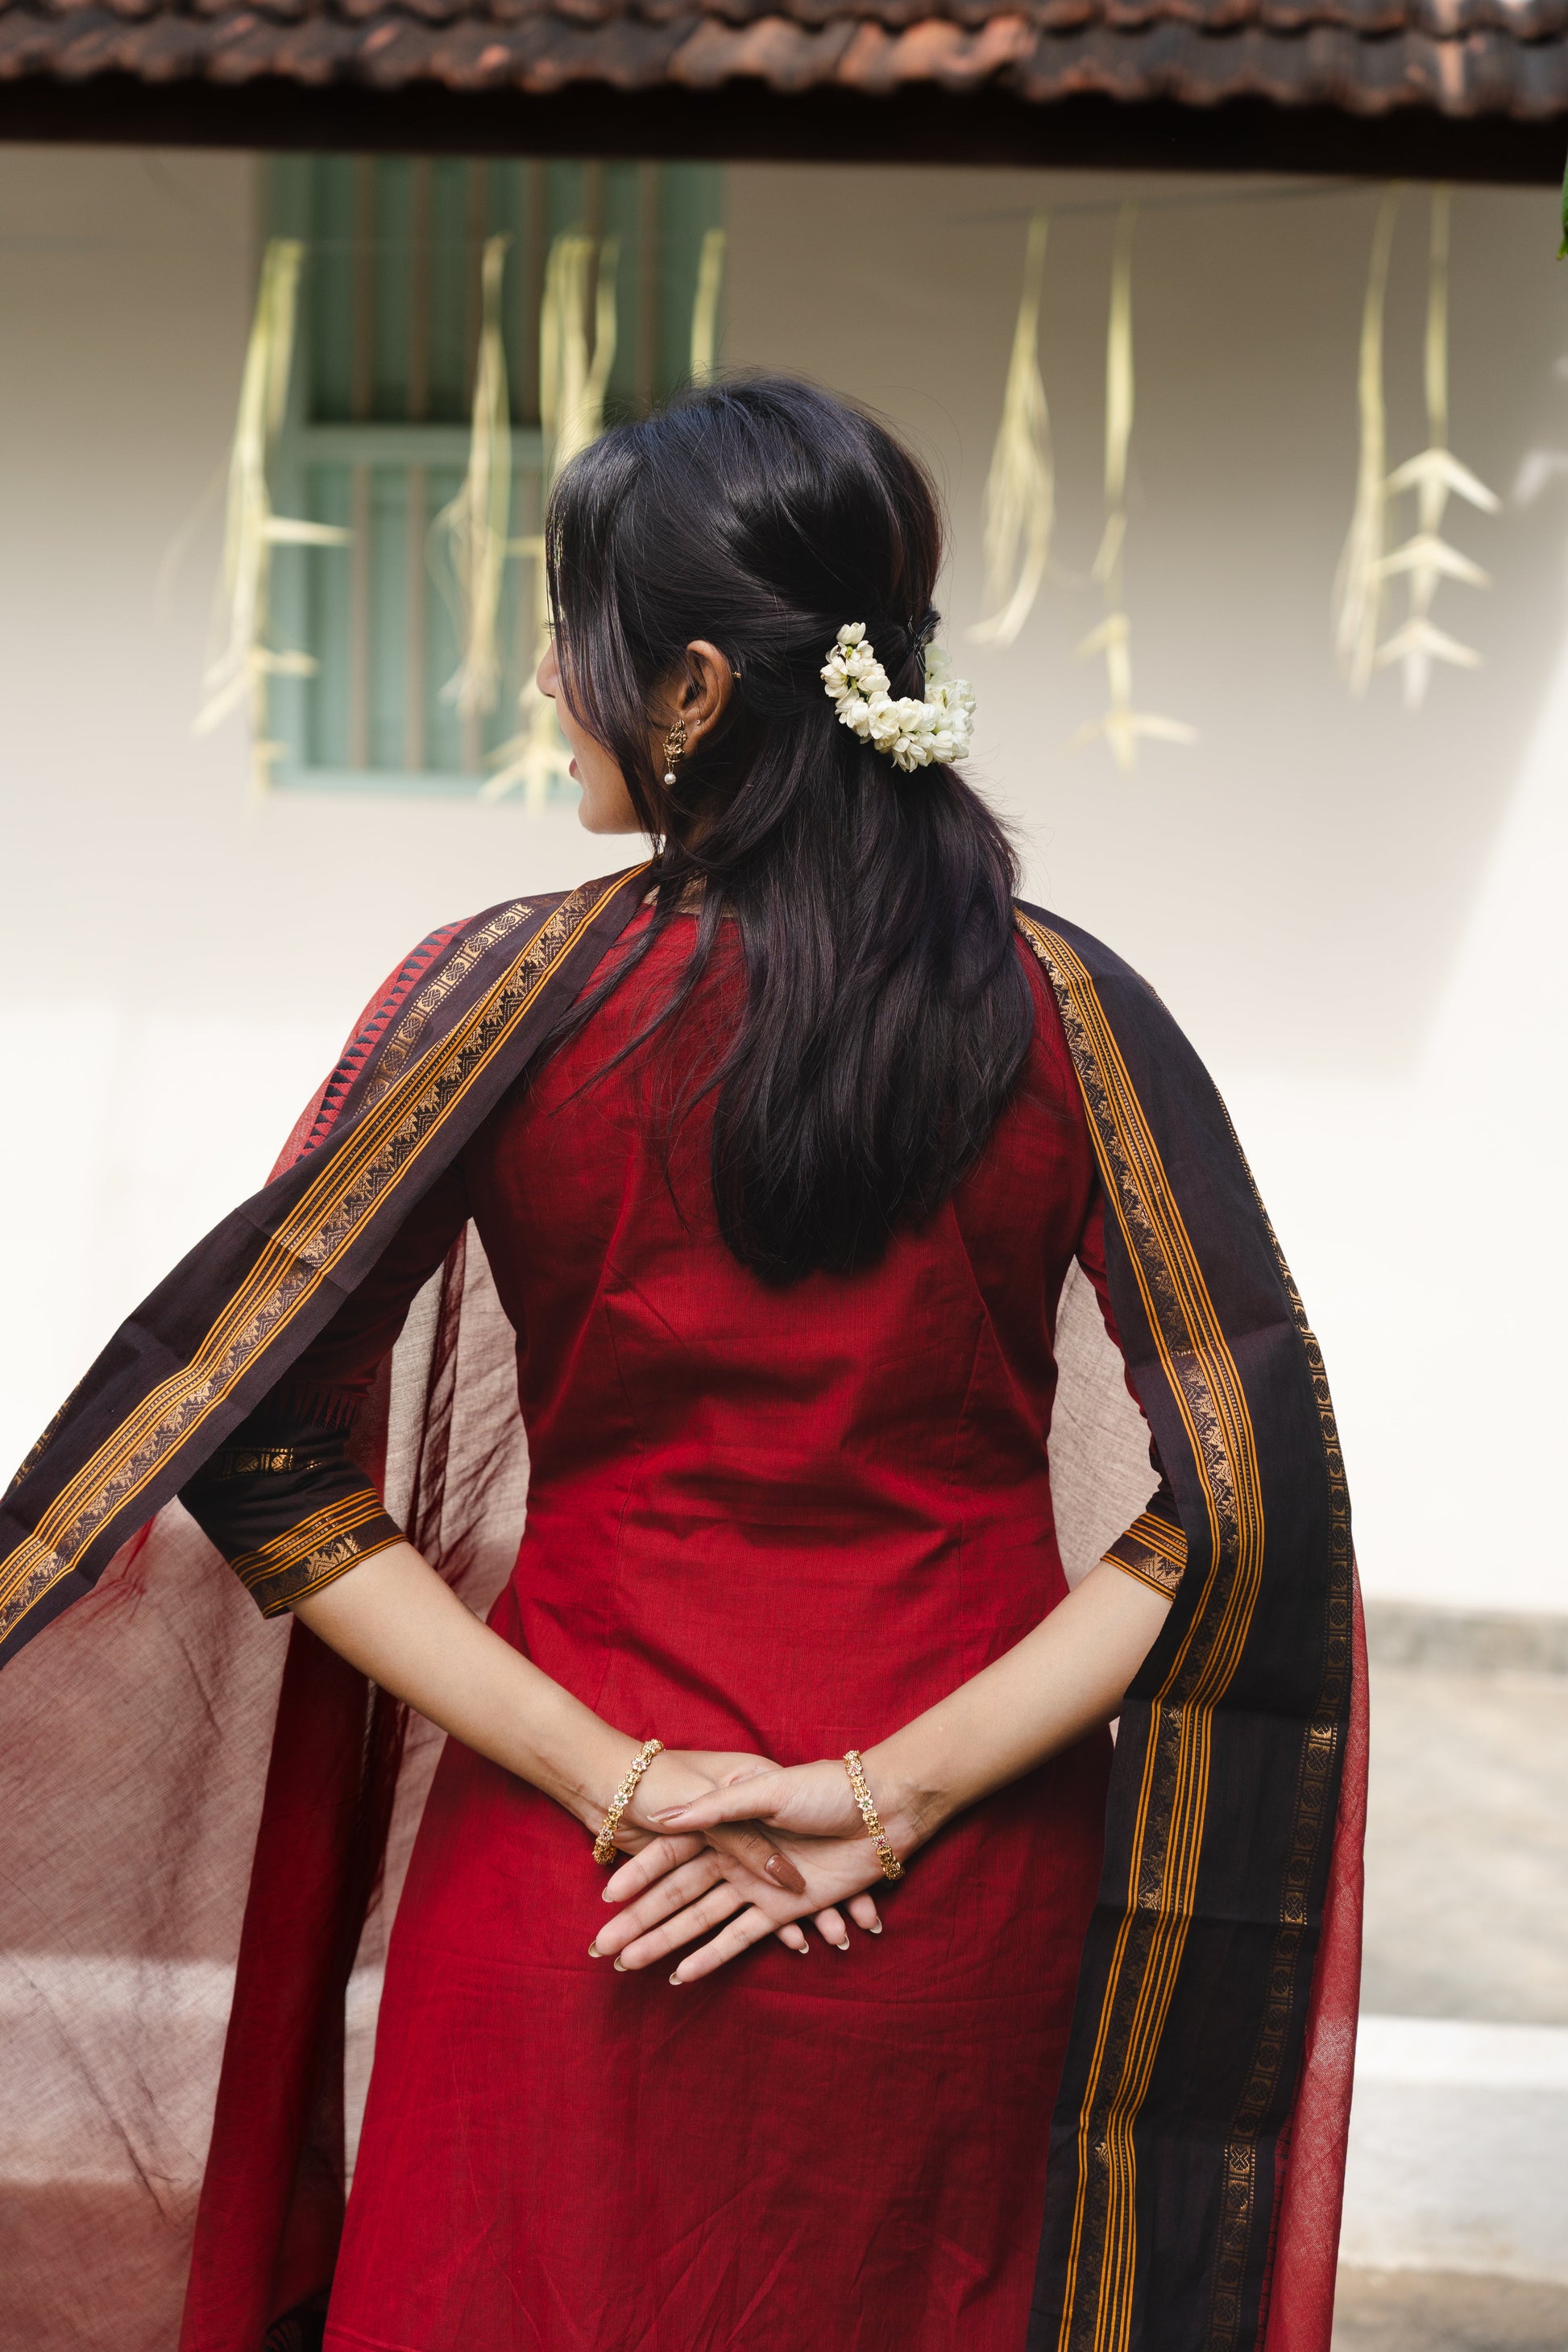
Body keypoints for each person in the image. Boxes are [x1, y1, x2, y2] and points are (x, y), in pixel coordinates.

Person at [0, 376, 1363, 2352]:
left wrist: (616, 1779)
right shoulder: (1071, 1013)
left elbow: (251, 1441)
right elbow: (1244, 1501)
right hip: (953, 1897)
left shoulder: (506, 999)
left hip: (574, 1891)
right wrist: (883, 1797)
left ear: (697, 687)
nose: (546, 679)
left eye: (573, 631)